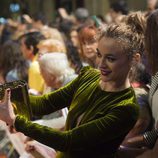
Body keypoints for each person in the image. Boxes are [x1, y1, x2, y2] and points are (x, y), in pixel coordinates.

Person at [0, 15, 145, 158]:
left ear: (134, 59)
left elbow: (68, 141)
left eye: (111, 58)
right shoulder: (89, 75)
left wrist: (16, 121)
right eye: (99, 55)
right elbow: (46, 103)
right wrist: (5, 96)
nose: (101, 64)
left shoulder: (126, 108)